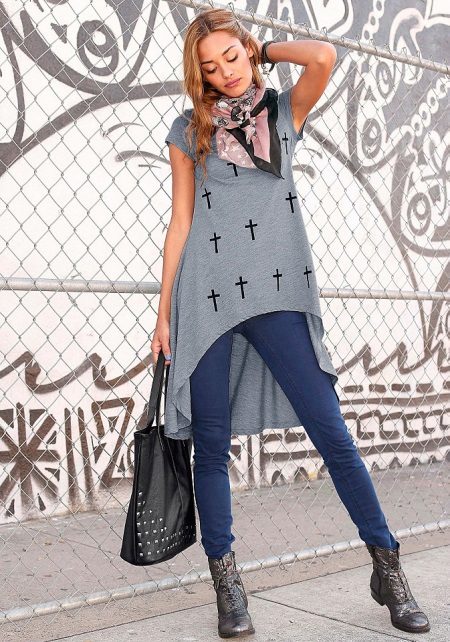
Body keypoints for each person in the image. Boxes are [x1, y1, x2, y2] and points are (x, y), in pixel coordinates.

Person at [151, 7, 430, 640]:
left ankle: (387, 566)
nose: (225, 72)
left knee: (332, 433)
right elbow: (180, 221)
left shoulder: (281, 113)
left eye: (232, 56)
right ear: (198, 75)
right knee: (211, 447)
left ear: (247, 51)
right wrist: (164, 313)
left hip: (278, 293)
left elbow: (324, 57)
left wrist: (266, 49)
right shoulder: (188, 131)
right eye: (210, 66)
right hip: (205, 299)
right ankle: (228, 588)